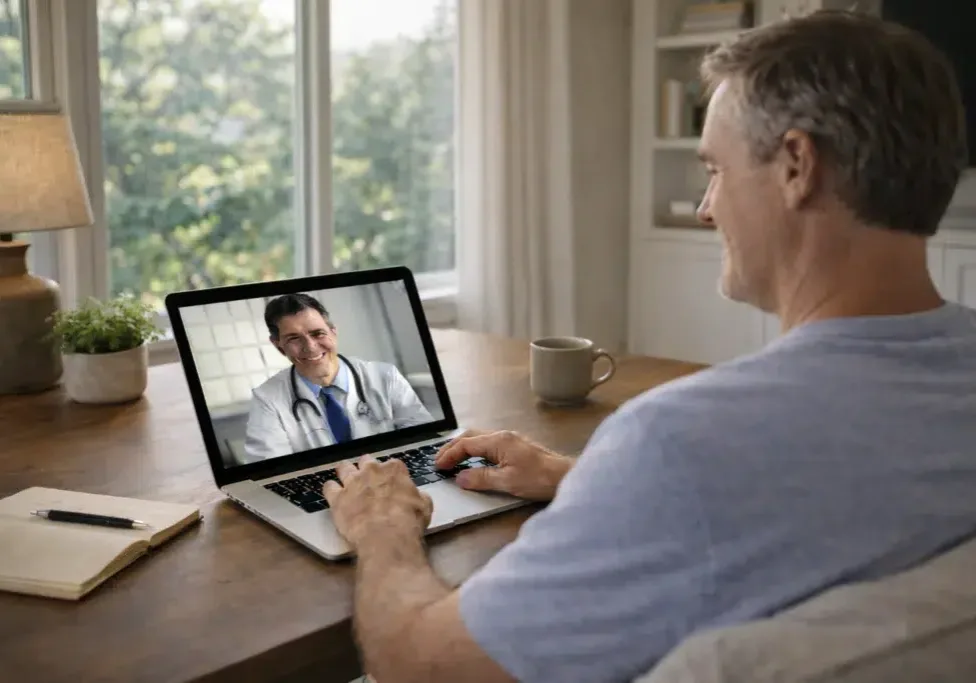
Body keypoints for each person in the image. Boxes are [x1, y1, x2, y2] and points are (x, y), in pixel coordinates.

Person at [320, 11, 976, 683]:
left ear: (796, 166)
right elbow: (837, 508)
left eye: (716, 169)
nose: (705, 207)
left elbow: (419, 663)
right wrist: (591, 481)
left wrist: (382, 528)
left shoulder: (681, 441)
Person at [241, 293, 433, 462]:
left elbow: (425, 443)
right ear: (278, 345)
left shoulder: (385, 376)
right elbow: (271, 469)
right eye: (293, 338)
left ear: (333, 332)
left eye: (317, 333)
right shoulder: (267, 399)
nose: (310, 347)